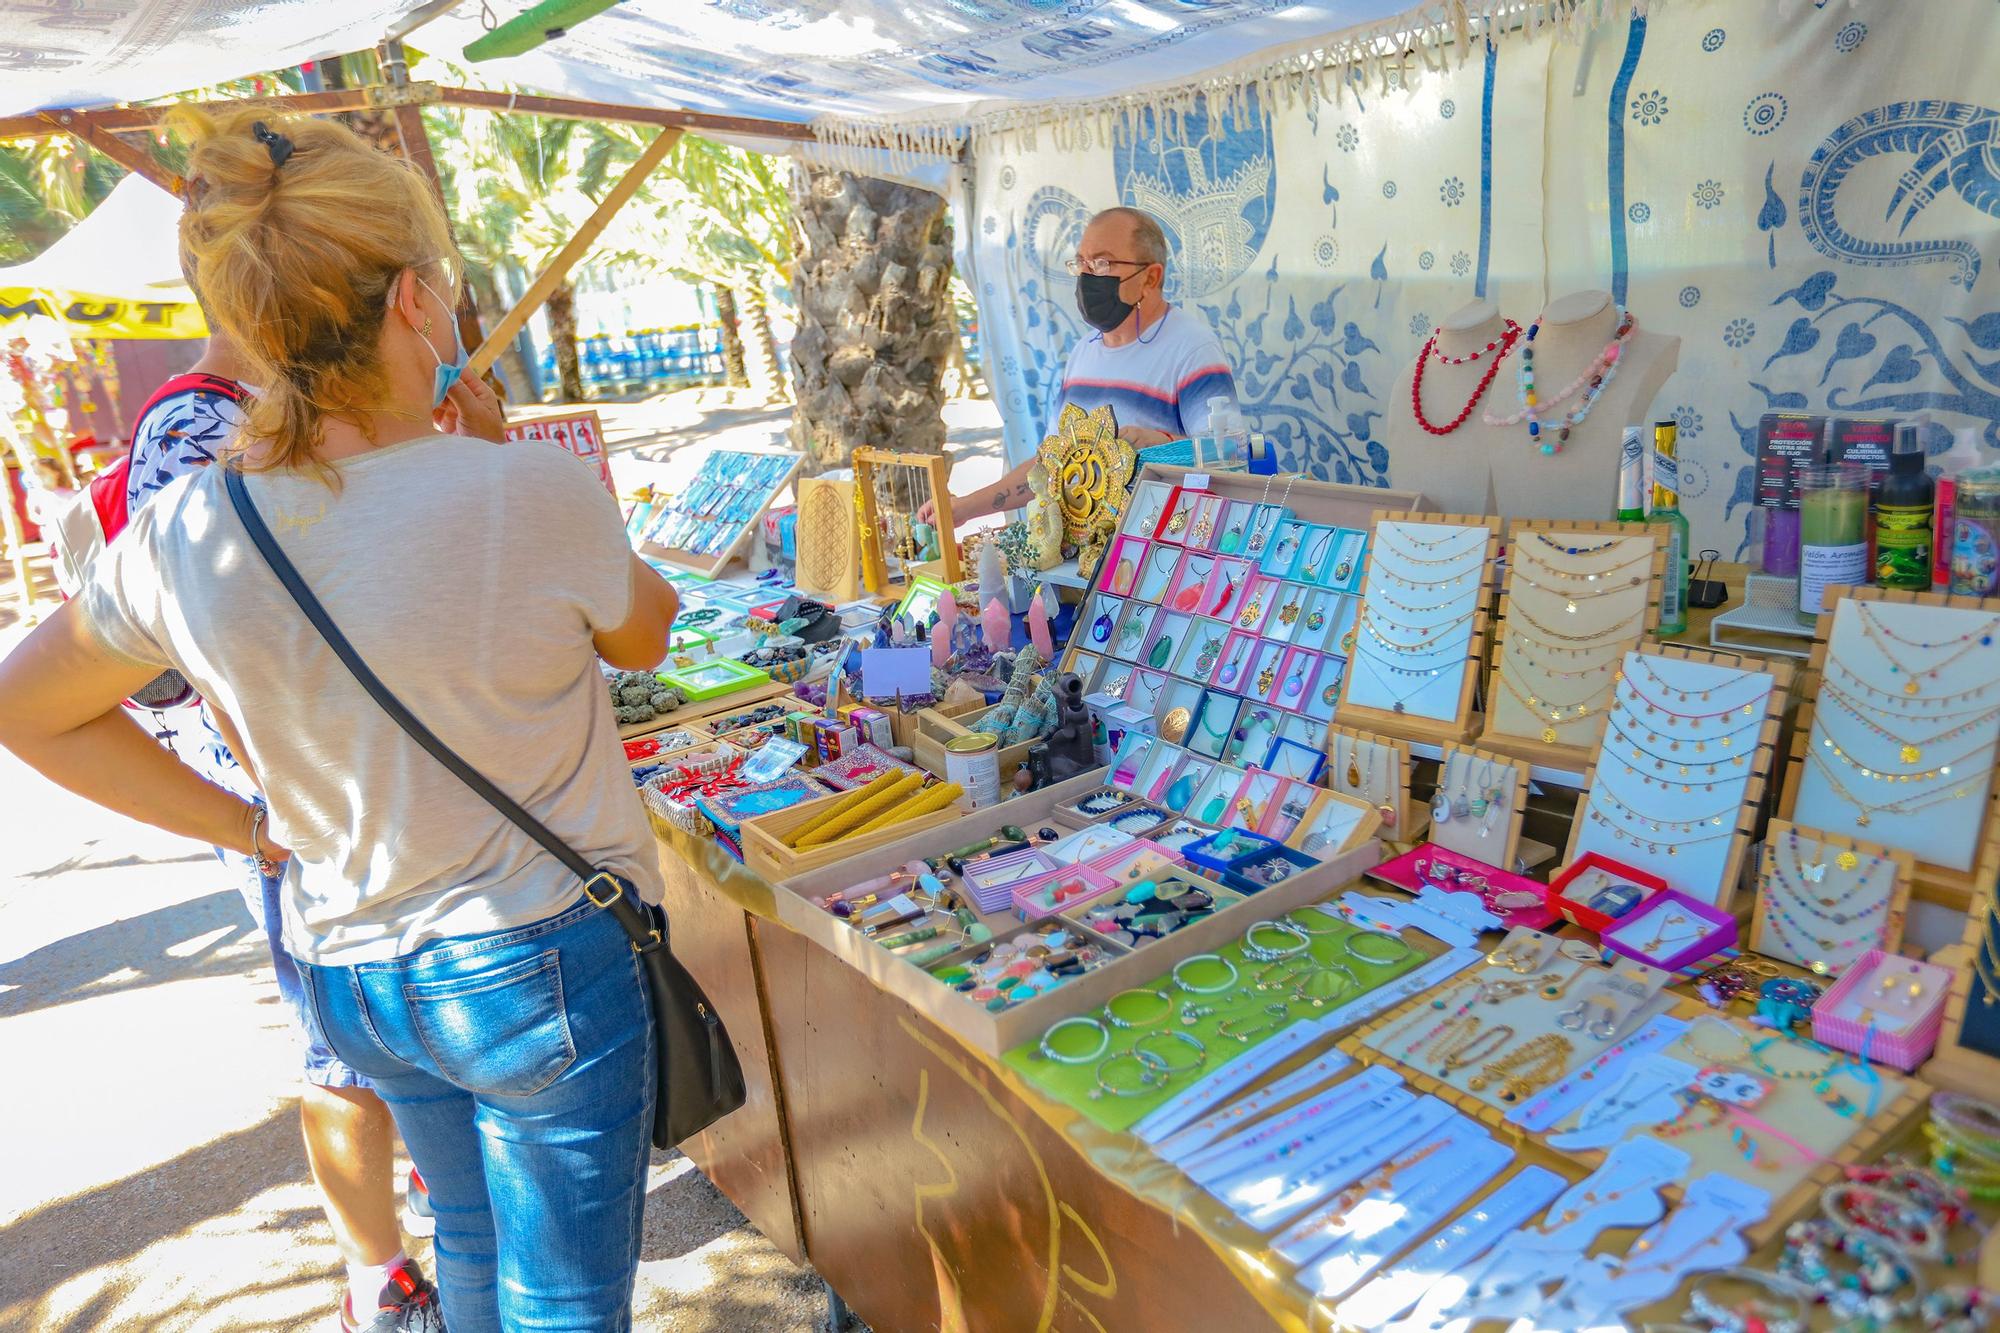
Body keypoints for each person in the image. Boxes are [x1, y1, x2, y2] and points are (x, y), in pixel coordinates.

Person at [0, 105, 679, 1333]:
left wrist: (255, 828)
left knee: (469, 1244)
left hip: (354, 967)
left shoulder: (188, 529)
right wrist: (498, 456)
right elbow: (644, 633)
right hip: (535, 958)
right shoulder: (526, 489)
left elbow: (28, 710)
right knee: (567, 1304)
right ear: (417, 297)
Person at [122, 319, 441, 1331]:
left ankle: (428, 1202)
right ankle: (377, 1277)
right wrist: (259, 809)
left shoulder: (267, 413)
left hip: (338, 784)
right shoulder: (193, 428)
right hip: (289, 804)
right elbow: (194, 649)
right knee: (340, 1048)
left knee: (394, 1018)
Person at [925, 205, 1239, 526]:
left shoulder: (1191, 348)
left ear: (1150, 277)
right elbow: (1050, 466)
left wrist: (1164, 445)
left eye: (1102, 263)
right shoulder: (1083, 353)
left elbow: (1231, 460)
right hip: (1077, 562)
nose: (1088, 277)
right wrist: (964, 509)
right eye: (1082, 263)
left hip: (1153, 556)